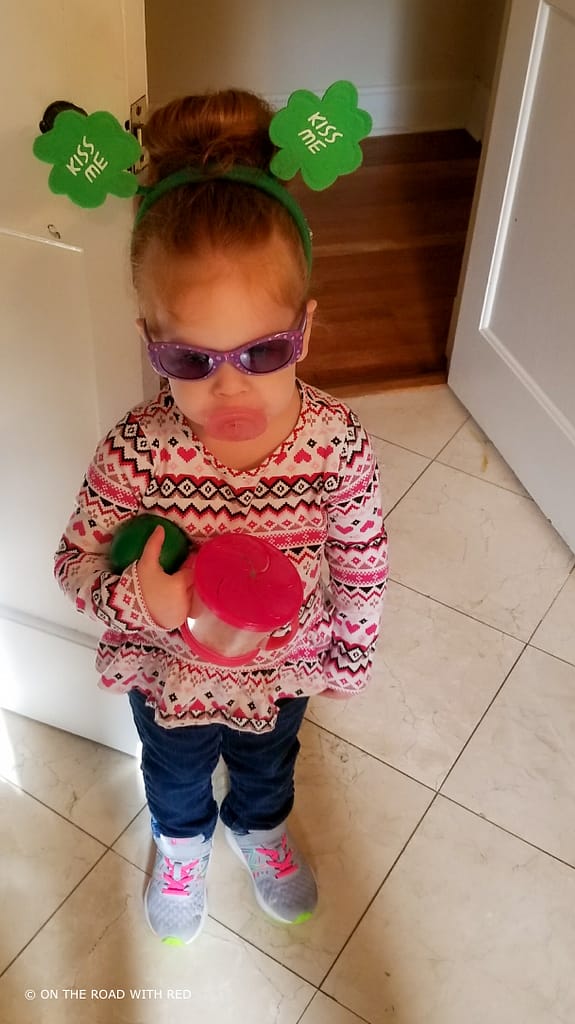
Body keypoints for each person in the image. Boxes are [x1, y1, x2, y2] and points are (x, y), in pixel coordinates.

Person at [54, 89, 389, 946]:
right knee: (173, 773)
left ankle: (258, 826)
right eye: (191, 359)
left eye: (263, 351)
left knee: (269, 763)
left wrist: (350, 652)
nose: (230, 387)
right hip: (170, 674)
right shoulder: (139, 449)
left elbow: (361, 555)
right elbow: (75, 562)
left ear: (305, 329)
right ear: (150, 342)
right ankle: (182, 843)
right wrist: (140, 602)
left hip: (283, 667)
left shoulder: (336, 442)